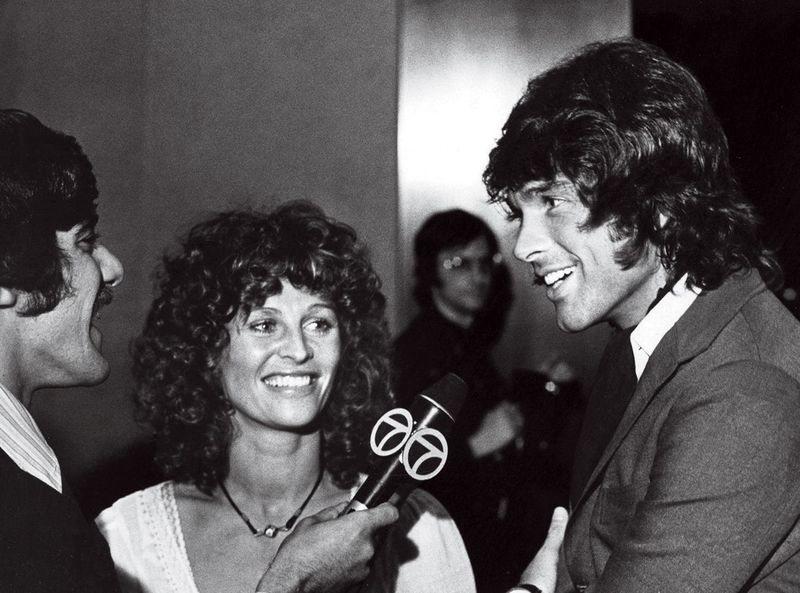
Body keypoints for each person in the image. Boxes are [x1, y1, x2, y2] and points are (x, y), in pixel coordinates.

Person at [0, 108, 397, 593]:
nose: (112, 266)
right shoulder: (63, 519)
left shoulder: (35, 488)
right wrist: (292, 583)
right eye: (85, 243)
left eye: (318, 323)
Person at [483, 38, 800, 592]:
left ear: (651, 203)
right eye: (518, 213)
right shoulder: (645, 336)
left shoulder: (742, 391)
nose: (523, 246)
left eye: (551, 201)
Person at [96, 202, 475, 593]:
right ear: (206, 350)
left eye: (318, 323)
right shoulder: (127, 539)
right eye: (264, 324)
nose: (298, 349)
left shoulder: (416, 526)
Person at [393, 209, 525, 590]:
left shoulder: (469, 343)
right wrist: (478, 445)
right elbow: (401, 469)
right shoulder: (418, 352)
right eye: (458, 263)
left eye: (485, 263)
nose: (478, 276)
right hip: (442, 542)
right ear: (430, 271)